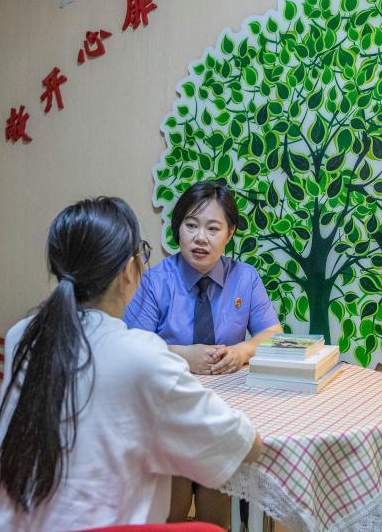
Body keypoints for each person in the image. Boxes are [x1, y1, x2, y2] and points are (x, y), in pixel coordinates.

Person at [0, 197, 262, 531]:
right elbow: (243, 446)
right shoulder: (144, 356)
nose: (201, 237)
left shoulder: (22, 335)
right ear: (127, 270)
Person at [123, 180, 283, 526]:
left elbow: (273, 334)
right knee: (173, 504)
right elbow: (130, 347)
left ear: (229, 233)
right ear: (177, 228)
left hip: (225, 412)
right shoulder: (155, 282)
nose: (200, 238)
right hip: (169, 411)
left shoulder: (245, 279)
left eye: (213, 228)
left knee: (216, 502)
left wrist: (243, 350)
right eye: (191, 225)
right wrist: (183, 355)